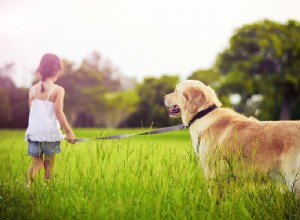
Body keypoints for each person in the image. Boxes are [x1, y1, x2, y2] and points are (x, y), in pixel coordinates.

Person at [25, 53, 75, 187]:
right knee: (49, 165)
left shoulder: (32, 90)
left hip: (34, 133)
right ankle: (47, 189)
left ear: (40, 70)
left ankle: (28, 184)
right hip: (49, 133)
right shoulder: (58, 90)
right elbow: (59, 112)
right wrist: (69, 132)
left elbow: (33, 112)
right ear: (57, 70)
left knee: (36, 163)